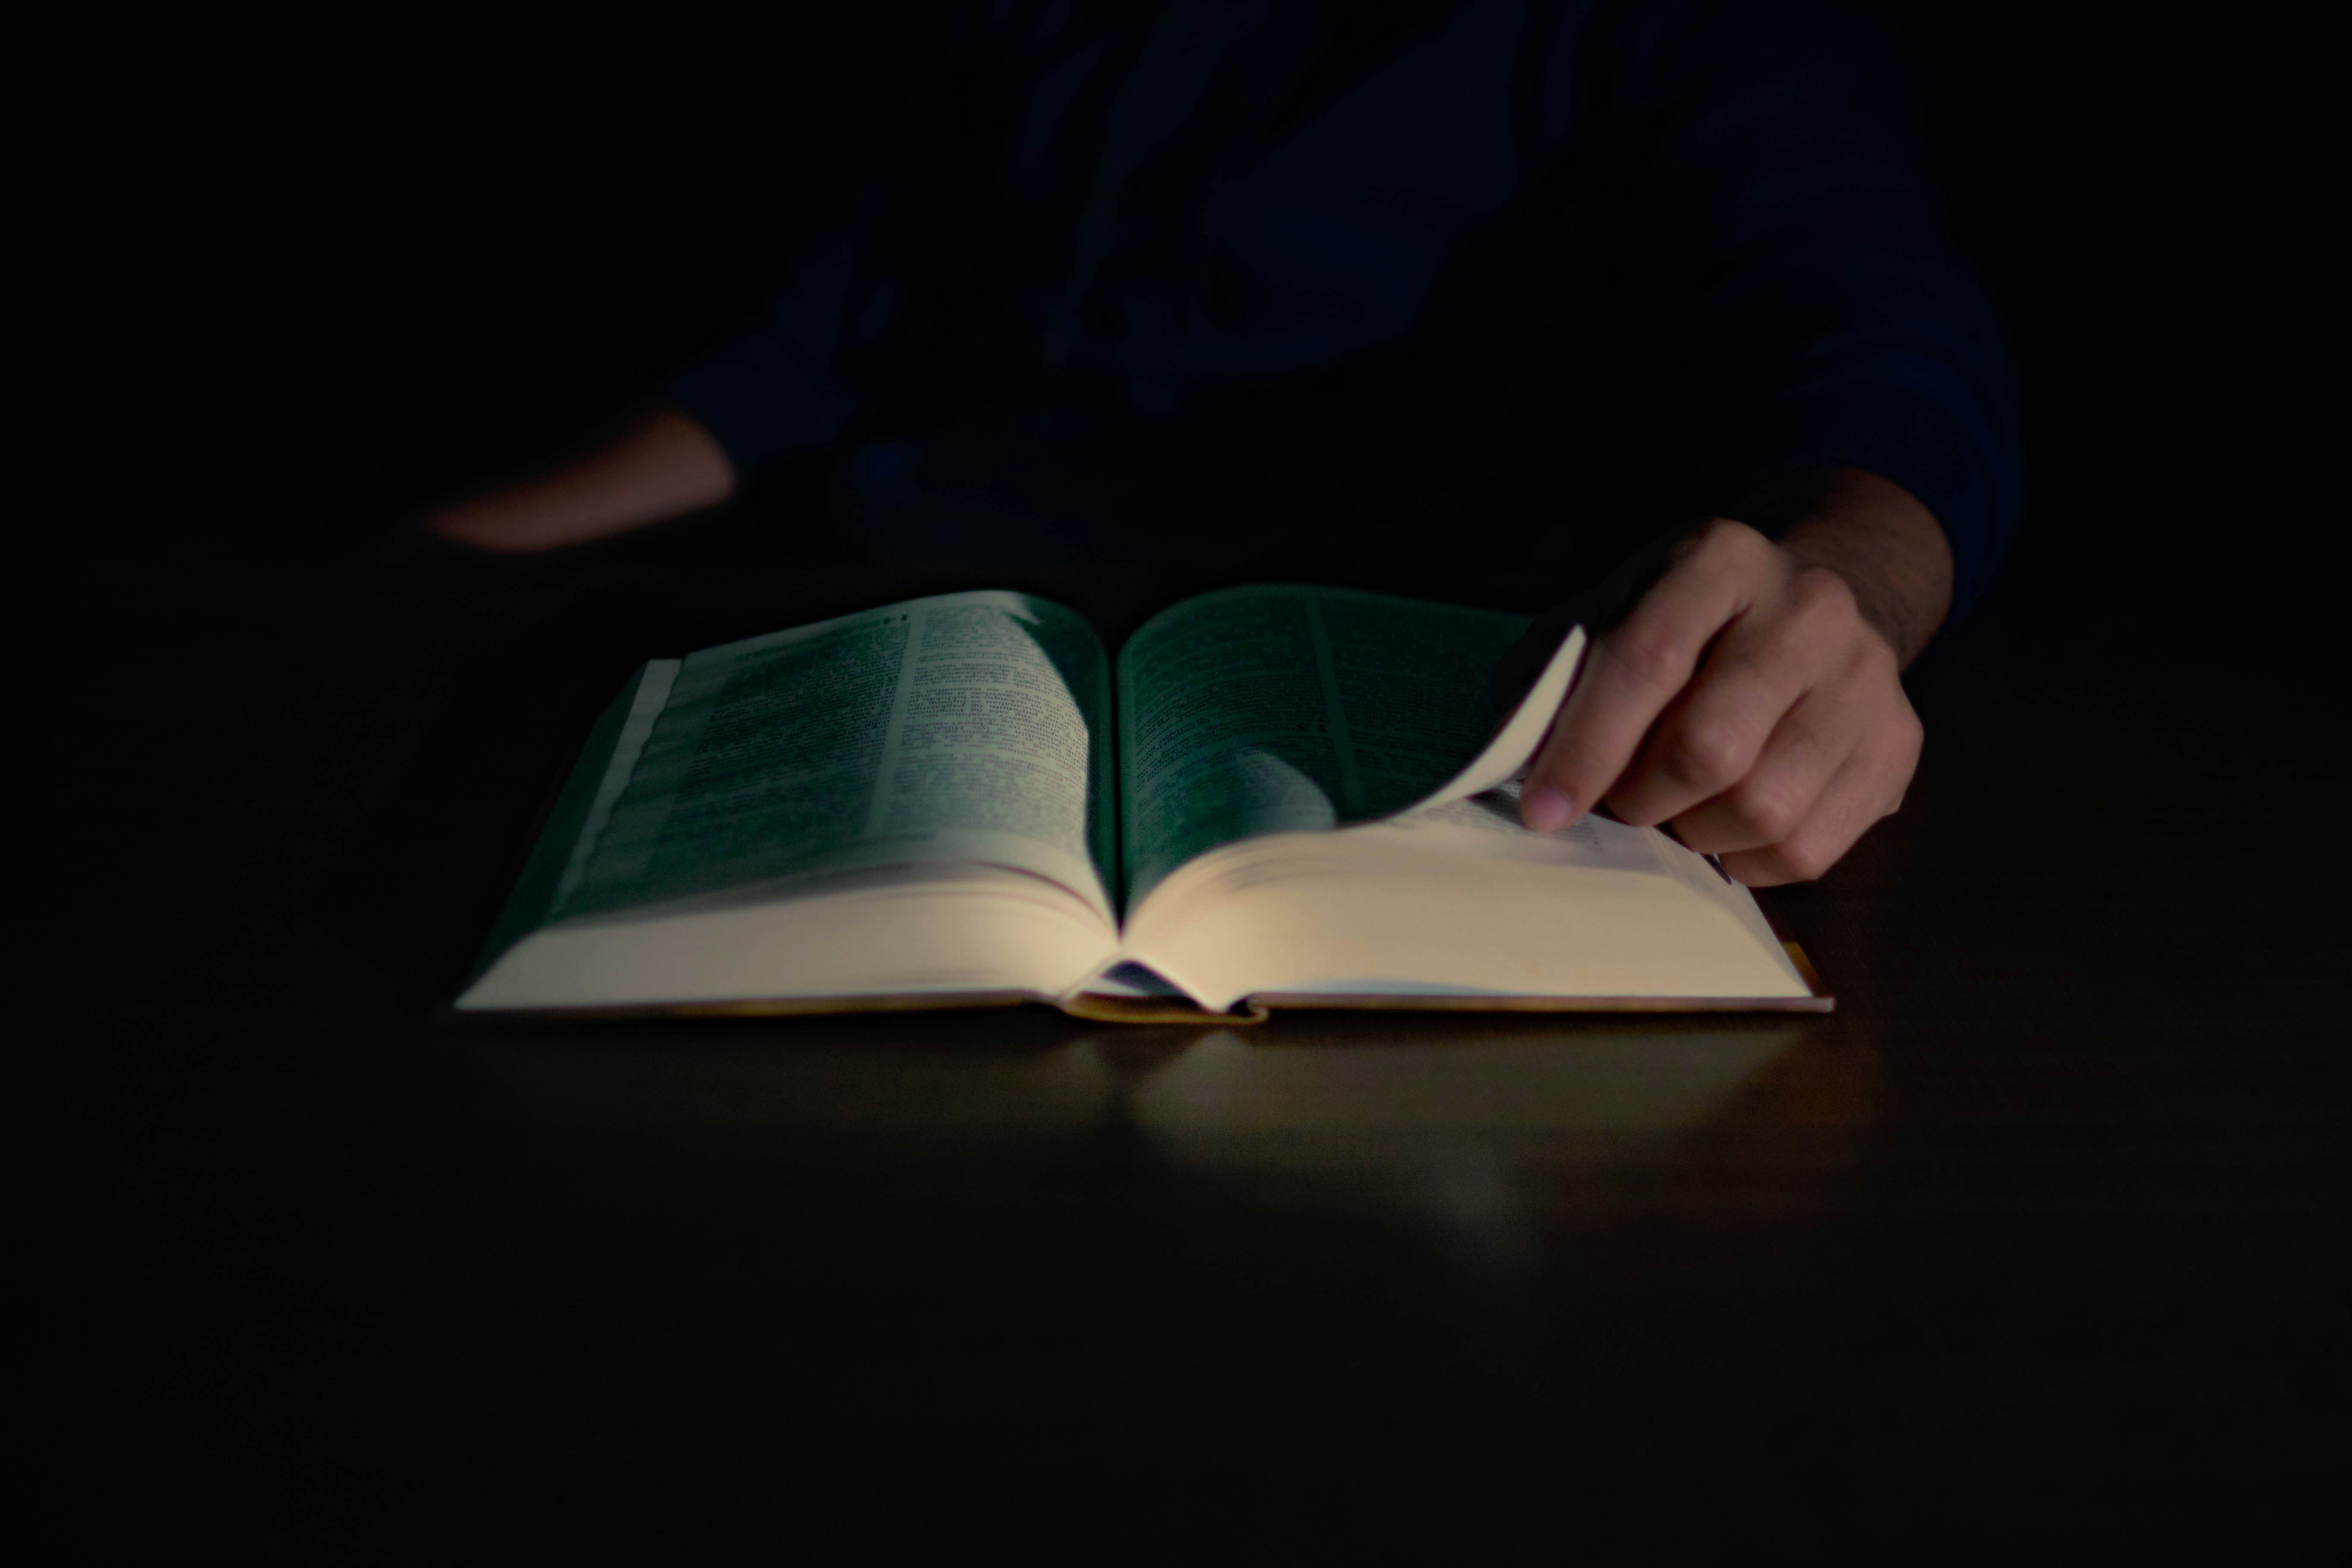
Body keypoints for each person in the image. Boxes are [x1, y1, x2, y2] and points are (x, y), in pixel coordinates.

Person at [428, 0, 2017, 886]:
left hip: (1366, 710)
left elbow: (1867, 324)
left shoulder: (1681, 38)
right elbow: (810, 348)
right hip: (911, 642)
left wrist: (1851, 578)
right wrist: (422, 557)